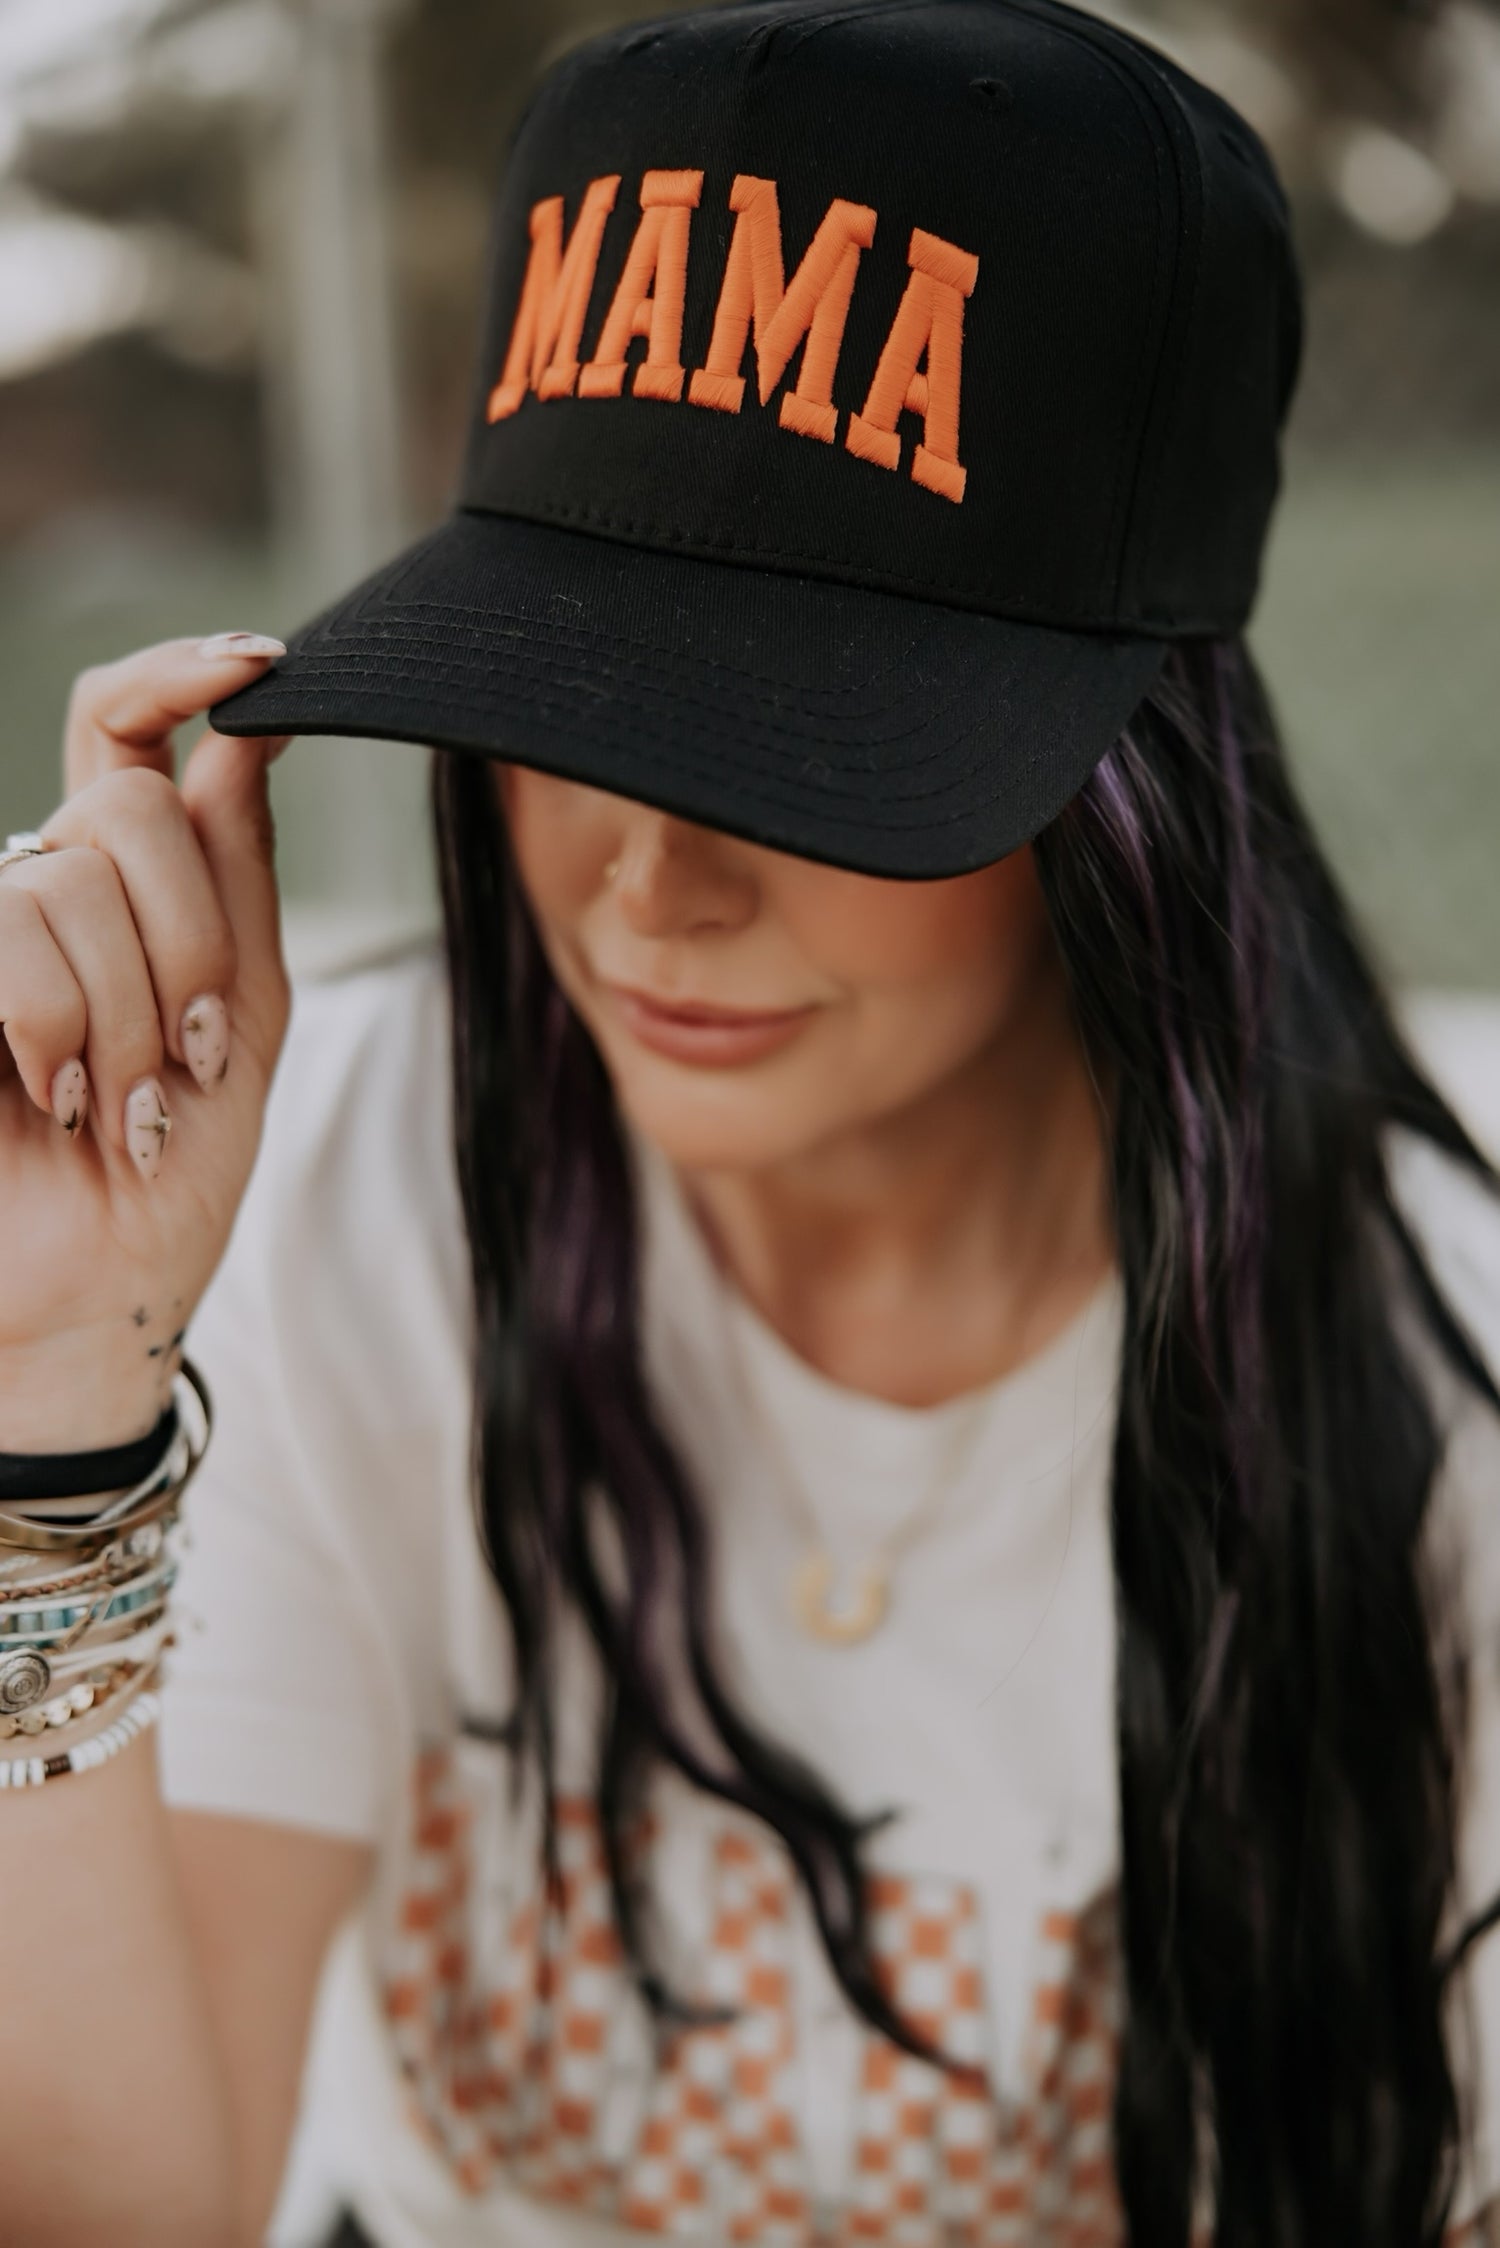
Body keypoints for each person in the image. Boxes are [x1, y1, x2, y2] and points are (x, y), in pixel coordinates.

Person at [0, 2, 1497, 2244]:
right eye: (564, 699)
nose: (649, 884)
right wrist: (49, 1385)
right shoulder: (337, 1195)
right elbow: (125, 2203)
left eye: (807, 755)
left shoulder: (1443, 1389)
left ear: (1133, 796)